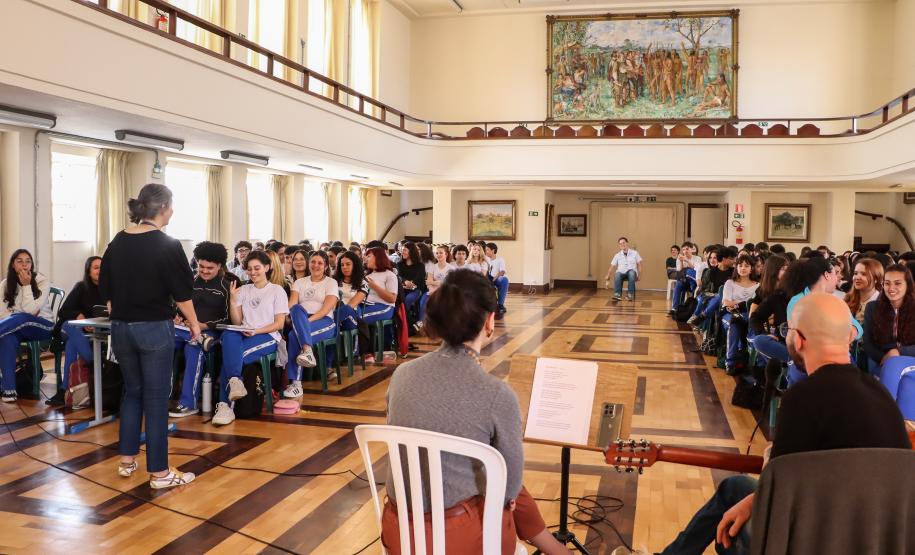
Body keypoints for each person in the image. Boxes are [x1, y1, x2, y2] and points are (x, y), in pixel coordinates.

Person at [617, 294, 912, 555]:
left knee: (727, 528)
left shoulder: (802, 398)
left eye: (787, 331)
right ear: (849, 335)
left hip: (808, 541)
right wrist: (754, 498)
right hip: (869, 539)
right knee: (737, 489)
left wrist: (757, 498)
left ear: (797, 340)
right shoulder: (882, 397)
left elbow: (782, 491)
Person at [383, 269, 571, 555]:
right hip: (458, 538)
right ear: (489, 321)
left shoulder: (402, 375)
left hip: (399, 531)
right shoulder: (496, 394)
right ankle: (555, 548)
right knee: (506, 481)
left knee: (495, 474)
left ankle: (553, 546)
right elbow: (508, 491)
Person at [99, 183, 200, 488]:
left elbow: (107, 292)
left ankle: (127, 460)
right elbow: (182, 294)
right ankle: (160, 473)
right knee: (156, 399)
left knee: (133, 392)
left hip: (120, 328)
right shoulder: (167, 244)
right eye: (171, 206)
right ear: (163, 208)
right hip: (153, 327)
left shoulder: (118, 241)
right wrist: (194, 324)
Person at [213, 250, 288, 425]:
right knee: (229, 334)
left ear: (267, 267)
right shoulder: (244, 289)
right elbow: (237, 321)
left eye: (257, 268)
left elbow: (279, 324)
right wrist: (232, 301)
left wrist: (257, 331)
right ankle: (235, 383)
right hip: (244, 333)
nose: (253, 272)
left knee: (233, 360)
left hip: (268, 335)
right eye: (249, 269)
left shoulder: (277, 291)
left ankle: (225, 406)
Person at [169, 241, 234, 418]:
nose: (204, 271)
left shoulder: (227, 286)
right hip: (184, 330)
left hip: (211, 333)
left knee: (193, 348)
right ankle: (158, 398)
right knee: (160, 340)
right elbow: (177, 308)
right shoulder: (188, 282)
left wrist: (204, 326)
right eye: (201, 266)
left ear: (220, 266)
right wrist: (178, 318)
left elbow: (229, 319)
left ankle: (188, 403)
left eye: (210, 268)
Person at [47, 255, 103, 406]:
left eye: (102, 267)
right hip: (69, 328)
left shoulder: (110, 290)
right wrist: (79, 316)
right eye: (96, 267)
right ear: (88, 271)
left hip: (91, 333)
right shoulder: (81, 287)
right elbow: (63, 311)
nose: (100, 270)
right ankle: (92, 361)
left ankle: (63, 391)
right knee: (72, 328)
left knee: (72, 344)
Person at [0, 249, 54, 403]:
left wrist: (26, 285)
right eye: (19, 261)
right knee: (7, 338)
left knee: (22, 317)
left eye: (28, 261)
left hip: (43, 326)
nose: (24, 265)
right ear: (12, 265)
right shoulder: (5, 284)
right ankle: (9, 390)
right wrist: (15, 315)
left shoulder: (42, 281)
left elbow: (31, 311)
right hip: (17, 327)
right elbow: (2, 314)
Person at [284, 249, 339, 395]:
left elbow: (327, 308)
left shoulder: (331, 282)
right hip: (302, 317)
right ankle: (307, 351)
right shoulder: (299, 282)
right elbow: (292, 304)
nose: (316, 265)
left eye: (320, 263)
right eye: (313, 262)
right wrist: (292, 318)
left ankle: (296, 384)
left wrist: (305, 323)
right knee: (296, 309)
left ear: (326, 266)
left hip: (324, 321)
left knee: (293, 336)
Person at [340, 247, 398, 364]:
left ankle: (358, 353)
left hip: (384, 306)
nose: (366, 259)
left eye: (369, 256)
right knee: (350, 316)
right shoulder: (367, 273)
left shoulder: (389, 275)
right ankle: (351, 353)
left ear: (378, 258)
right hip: (366, 304)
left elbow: (392, 298)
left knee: (357, 319)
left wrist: (373, 286)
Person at [862, 263, 915, 369]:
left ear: (907, 285)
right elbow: (867, 343)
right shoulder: (872, 307)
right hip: (880, 358)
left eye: (897, 283)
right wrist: (885, 359)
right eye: (887, 283)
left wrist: (898, 352)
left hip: (909, 358)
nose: (891, 288)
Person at [720, 254, 760, 375]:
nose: (743, 268)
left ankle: (750, 362)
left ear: (751, 268)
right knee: (734, 325)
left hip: (748, 315)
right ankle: (730, 362)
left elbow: (757, 305)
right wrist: (744, 303)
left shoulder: (758, 286)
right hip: (730, 314)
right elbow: (726, 302)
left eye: (746, 266)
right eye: (740, 265)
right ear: (736, 267)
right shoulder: (730, 283)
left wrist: (737, 304)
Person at [417, 245, 455, 333]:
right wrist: (432, 289)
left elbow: (447, 284)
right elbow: (428, 281)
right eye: (437, 253)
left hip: (446, 292)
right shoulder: (432, 267)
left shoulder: (451, 268)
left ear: (446, 254)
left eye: (441, 253)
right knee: (423, 301)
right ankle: (421, 324)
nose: (438, 255)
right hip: (432, 291)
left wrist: (435, 283)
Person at [845, 258, 883, 323]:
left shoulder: (882, 303)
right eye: (855, 273)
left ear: (876, 278)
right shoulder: (848, 298)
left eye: (864, 274)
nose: (857, 277)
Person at [606, 237, 643, 302]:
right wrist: (608, 275)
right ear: (619, 246)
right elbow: (612, 266)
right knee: (617, 274)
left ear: (627, 243)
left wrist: (639, 275)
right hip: (621, 273)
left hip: (632, 273)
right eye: (620, 244)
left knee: (631, 273)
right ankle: (617, 295)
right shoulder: (617, 255)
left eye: (623, 243)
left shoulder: (635, 253)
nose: (622, 245)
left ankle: (630, 295)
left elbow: (639, 264)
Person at [396, 242, 426, 320]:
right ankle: (402, 320)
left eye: (405, 250)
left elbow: (419, 277)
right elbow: (399, 276)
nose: (402, 252)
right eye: (402, 250)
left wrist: (411, 283)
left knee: (408, 300)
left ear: (411, 251)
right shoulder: (399, 264)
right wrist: (405, 281)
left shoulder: (420, 265)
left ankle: (405, 321)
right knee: (397, 301)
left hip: (416, 289)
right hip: (402, 289)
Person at [485, 242, 510, 315]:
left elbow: (502, 272)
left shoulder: (500, 259)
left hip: (496, 278)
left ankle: (500, 305)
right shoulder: (485, 259)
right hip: (487, 278)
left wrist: (494, 279)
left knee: (504, 280)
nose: (486, 251)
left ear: (493, 250)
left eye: (487, 250)